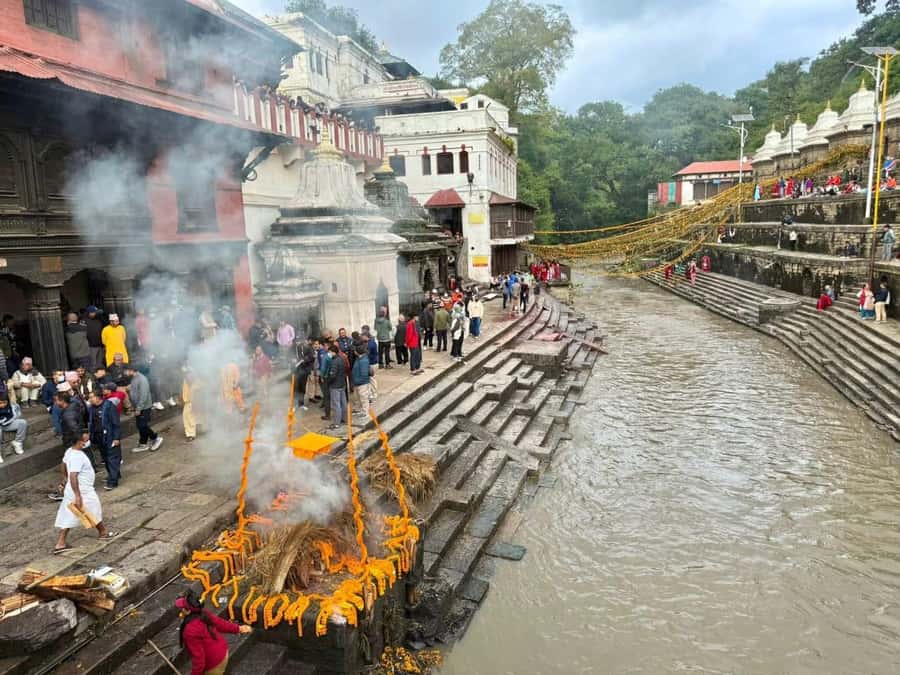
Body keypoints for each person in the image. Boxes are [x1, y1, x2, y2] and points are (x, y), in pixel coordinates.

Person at [53, 432, 118, 554]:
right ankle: (103, 532)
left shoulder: (69, 451)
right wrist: (78, 495)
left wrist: (63, 480)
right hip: (82, 490)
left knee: (70, 514)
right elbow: (73, 475)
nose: (88, 440)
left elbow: (63, 464)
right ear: (80, 442)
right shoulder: (77, 456)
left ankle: (61, 543)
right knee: (93, 509)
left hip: (72, 490)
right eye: (85, 439)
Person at [177, 589, 251, 675]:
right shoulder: (204, 614)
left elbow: (199, 659)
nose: (180, 609)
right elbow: (220, 623)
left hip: (213, 664)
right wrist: (238, 628)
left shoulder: (189, 631)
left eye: (182, 608)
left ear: (188, 611)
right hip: (223, 652)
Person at [89, 389, 121, 490]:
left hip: (110, 436)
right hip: (99, 437)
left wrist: (116, 438)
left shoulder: (109, 406)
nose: (89, 399)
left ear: (98, 397)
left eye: (91, 397)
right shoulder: (91, 408)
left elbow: (116, 423)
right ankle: (115, 474)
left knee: (112, 458)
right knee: (106, 458)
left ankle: (113, 481)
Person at [126, 364, 163, 453]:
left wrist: (139, 408)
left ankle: (155, 438)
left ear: (132, 370)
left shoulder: (142, 379)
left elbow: (144, 394)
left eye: (127, 371)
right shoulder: (134, 378)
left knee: (142, 425)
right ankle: (143, 443)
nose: (126, 372)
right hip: (138, 406)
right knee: (140, 425)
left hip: (144, 407)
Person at [325, 343, 348, 431]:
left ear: (333, 352)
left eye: (329, 352)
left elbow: (332, 375)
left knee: (336, 404)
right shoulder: (342, 358)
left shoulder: (334, 362)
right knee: (343, 402)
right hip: (342, 384)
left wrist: (328, 381)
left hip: (335, 385)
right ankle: (344, 419)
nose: (328, 354)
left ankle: (337, 423)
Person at [351, 344, 374, 416]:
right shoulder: (359, 358)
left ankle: (365, 412)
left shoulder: (363, 361)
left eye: (355, 351)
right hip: (357, 382)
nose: (354, 352)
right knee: (357, 397)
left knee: (363, 397)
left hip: (362, 383)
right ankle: (358, 409)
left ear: (358, 352)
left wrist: (358, 381)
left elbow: (364, 374)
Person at [294, 337, 316, 412]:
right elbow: (288, 357)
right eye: (296, 341)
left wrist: (304, 360)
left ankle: (301, 404)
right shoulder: (293, 348)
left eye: (299, 341)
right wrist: (292, 360)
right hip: (295, 371)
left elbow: (312, 357)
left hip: (304, 370)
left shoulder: (307, 348)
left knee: (302, 388)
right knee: (295, 388)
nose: (298, 343)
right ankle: (294, 404)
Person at [181, 368, 203, 442]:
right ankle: (199, 429)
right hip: (192, 401)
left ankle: (191, 434)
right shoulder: (190, 379)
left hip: (192, 402)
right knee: (192, 416)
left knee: (188, 418)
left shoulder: (194, 380)